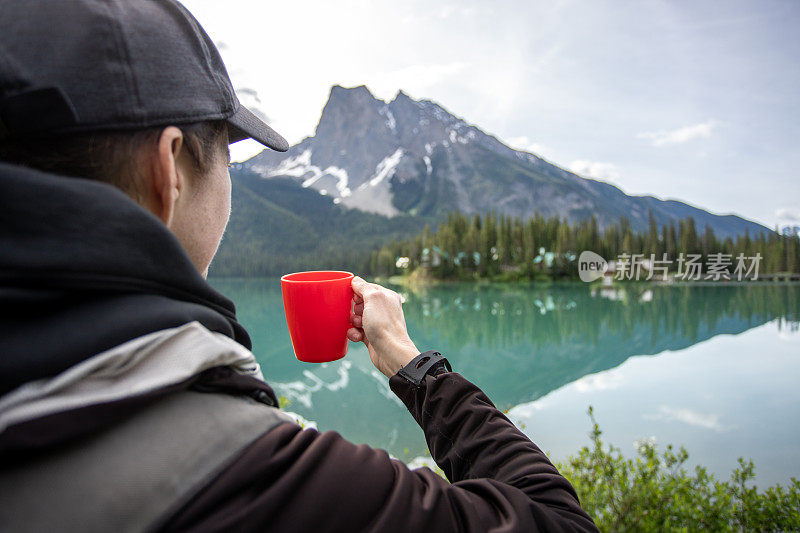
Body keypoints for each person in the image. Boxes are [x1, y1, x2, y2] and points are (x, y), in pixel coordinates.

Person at [0, 1, 598, 531]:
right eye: (227, 160)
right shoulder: (252, 477)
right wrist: (416, 368)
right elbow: (557, 522)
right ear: (170, 171)